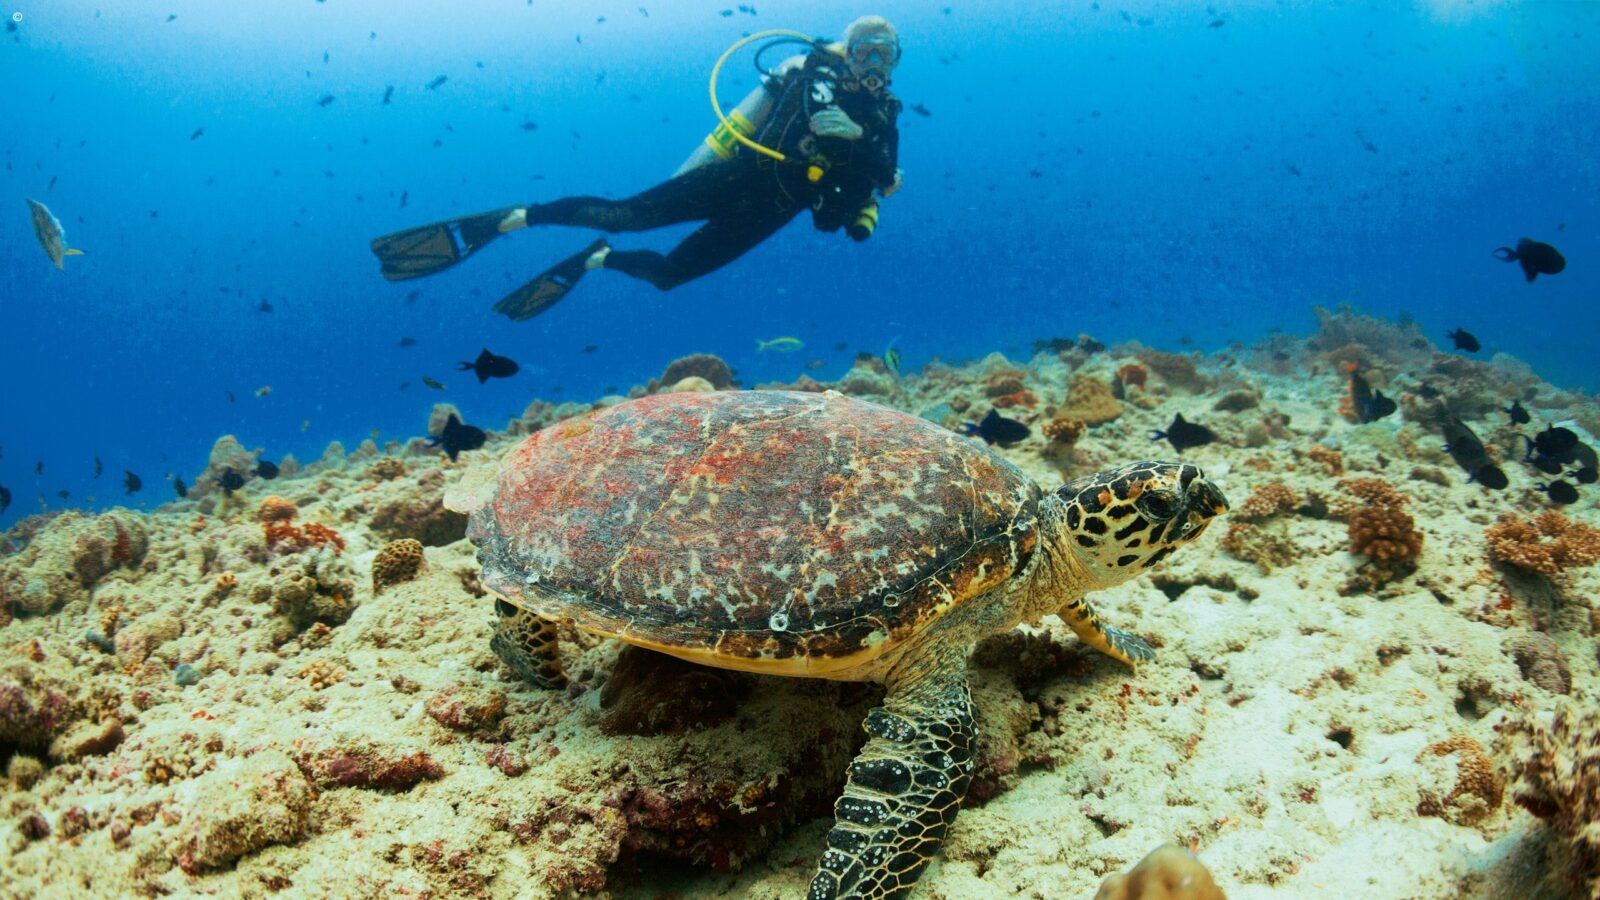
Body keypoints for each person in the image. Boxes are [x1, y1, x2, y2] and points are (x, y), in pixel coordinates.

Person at [370, 16, 904, 321]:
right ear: (847, 52)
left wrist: (863, 200)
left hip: (775, 210)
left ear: (895, 61)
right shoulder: (815, 77)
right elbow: (812, 120)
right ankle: (512, 219)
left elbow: (848, 203)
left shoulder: (884, 122)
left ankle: (599, 260)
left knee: (670, 276)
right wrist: (850, 148)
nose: (874, 65)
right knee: (625, 214)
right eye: (865, 53)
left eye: (885, 56)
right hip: (740, 175)